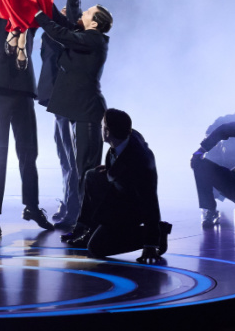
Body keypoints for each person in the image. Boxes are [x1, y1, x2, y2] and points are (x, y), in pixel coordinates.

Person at [33, 0, 112, 228]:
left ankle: (88, 221)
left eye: (89, 13)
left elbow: (62, 33)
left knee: (87, 170)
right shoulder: (84, 35)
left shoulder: (94, 39)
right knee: (80, 169)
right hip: (75, 108)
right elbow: (63, 21)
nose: (83, 13)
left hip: (87, 110)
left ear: (96, 23)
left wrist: (38, 14)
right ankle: (82, 219)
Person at [0, 0, 53, 238]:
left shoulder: (28, 26)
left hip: (23, 94)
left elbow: (38, 2)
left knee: (29, 153)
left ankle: (31, 206)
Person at [62, 109, 170, 261]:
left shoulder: (140, 163)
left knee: (96, 248)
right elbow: (124, 158)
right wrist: (113, 168)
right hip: (119, 192)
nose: (100, 128)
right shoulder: (127, 137)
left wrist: (150, 243)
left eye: (102, 126)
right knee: (92, 176)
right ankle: (86, 228)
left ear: (107, 132)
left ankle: (159, 233)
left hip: (131, 208)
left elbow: (150, 201)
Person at [39, 0, 84, 224]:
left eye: (69, 12)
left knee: (71, 156)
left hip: (68, 100)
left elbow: (73, 4)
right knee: (63, 156)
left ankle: (73, 209)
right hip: (55, 102)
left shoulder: (71, 32)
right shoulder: (50, 32)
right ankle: (69, 203)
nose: (64, 11)